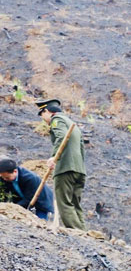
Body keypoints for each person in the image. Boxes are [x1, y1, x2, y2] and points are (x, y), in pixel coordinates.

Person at [36, 99, 87, 230]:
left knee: (64, 202)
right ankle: (85, 233)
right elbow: (81, 149)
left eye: (41, 114)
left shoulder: (56, 120)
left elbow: (61, 137)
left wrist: (54, 157)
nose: (43, 119)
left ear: (46, 111)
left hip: (65, 168)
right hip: (79, 170)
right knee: (75, 204)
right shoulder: (72, 123)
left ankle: (77, 233)